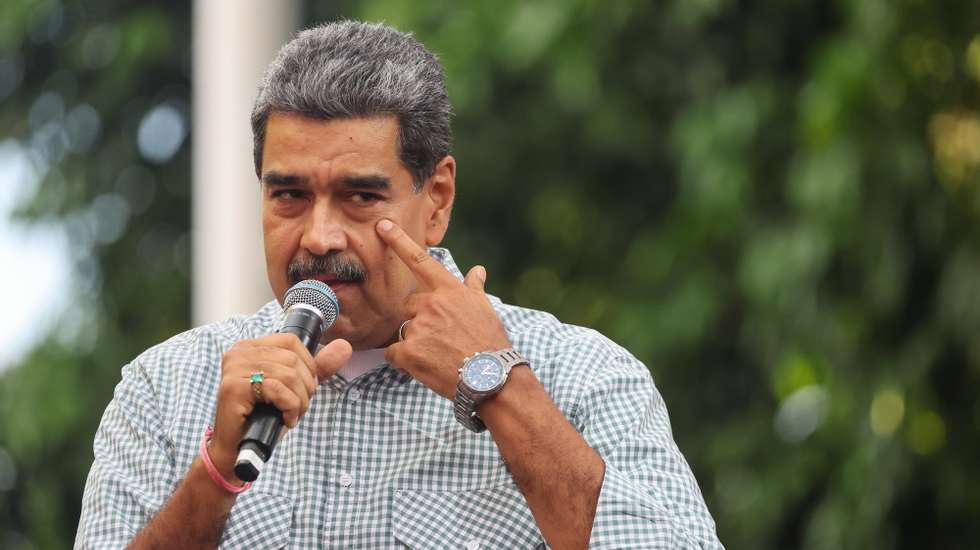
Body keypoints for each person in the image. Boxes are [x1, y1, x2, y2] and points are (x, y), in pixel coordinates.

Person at [75, 20, 723, 549]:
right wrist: (215, 472)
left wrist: (503, 388)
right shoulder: (165, 393)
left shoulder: (581, 376)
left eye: (360, 196)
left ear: (436, 198)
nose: (319, 236)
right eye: (290, 196)